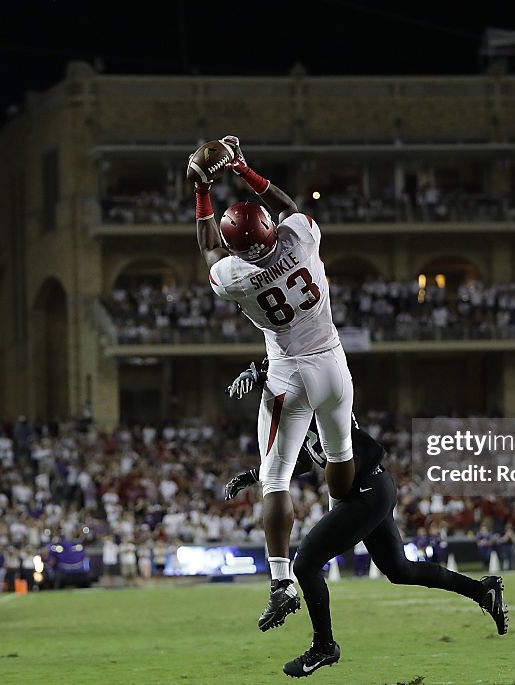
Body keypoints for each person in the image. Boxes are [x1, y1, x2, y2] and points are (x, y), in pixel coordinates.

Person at [224, 361, 507, 677]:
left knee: (304, 563)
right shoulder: (296, 406)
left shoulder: (314, 387)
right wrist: (253, 475)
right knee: (400, 570)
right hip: (373, 488)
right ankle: (483, 591)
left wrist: (261, 377)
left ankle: (324, 647)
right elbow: (301, 460)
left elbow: (303, 379)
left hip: (366, 490)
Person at [195, 136, 355, 630]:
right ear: (268, 230)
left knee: (275, 477)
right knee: (340, 458)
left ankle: (282, 581)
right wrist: (244, 169)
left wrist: (200, 190)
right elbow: (289, 205)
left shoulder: (237, 277)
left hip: (285, 372)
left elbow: (207, 249)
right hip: (330, 361)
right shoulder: (300, 239)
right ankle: (339, 541)